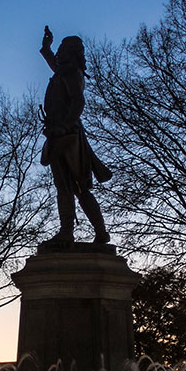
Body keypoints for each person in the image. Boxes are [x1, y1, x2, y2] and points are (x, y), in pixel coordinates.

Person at [39, 25, 112, 244]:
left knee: (70, 187)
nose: (59, 54)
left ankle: (70, 232)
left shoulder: (71, 73)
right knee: (72, 187)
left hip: (66, 136)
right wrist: (46, 49)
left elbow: (78, 102)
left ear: (71, 54)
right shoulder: (65, 71)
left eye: (62, 50)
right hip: (60, 134)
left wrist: (64, 126)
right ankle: (91, 232)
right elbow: (55, 66)